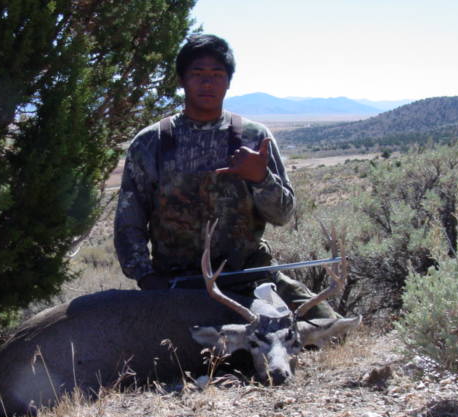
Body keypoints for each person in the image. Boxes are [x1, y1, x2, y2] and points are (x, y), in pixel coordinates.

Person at [114, 34, 337, 320]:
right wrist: (148, 280)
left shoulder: (256, 137)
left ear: (229, 81)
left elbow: (282, 215)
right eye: (197, 74)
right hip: (178, 288)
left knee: (328, 329)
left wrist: (260, 178)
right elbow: (128, 224)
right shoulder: (151, 142)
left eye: (217, 74)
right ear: (182, 80)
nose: (207, 83)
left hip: (251, 281)